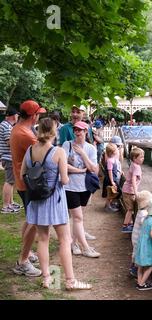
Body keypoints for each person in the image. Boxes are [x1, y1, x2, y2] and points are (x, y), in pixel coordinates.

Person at [20, 118, 91, 290]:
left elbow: (23, 174)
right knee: (64, 240)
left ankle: (46, 278)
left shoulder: (30, 150)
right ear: (53, 132)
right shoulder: (58, 151)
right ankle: (70, 281)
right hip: (55, 199)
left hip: (36, 201)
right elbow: (65, 180)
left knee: (42, 239)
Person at [10, 100, 46, 277]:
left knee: (30, 219)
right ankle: (22, 261)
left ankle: (27, 252)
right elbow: (46, 153)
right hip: (28, 184)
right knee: (34, 221)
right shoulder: (26, 134)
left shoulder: (18, 128)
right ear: (33, 116)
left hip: (22, 182)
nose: (40, 116)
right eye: (39, 113)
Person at [62, 121, 101, 258]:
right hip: (70, 187)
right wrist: (79, 170)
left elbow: (93, 169)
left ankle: (74, 243)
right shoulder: (67, 145)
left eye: (80, 130)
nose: (77, 132)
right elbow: (64, 165)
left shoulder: (90, 148)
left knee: (78, 218)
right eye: (75, 130)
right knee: (78, 217)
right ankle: (86, 247)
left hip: (85, 187)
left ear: (86, 132)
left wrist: (83, 154)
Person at [0, 108, 22, 213]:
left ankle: (10, 203)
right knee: (9, 182)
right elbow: (10, 142)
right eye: (17, 116)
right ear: (14, 116)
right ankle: (5, 206)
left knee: (11, 181)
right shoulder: (6, 126)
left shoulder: (6, 125)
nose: (18, 117)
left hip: (7, 157)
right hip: (8, 157)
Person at [129, 190, 152, 277]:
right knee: (138, 255)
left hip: (135, 237)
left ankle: (132, 268)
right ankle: (135, 270)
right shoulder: (144, 213)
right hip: (138, 239)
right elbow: (143, 222)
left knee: (135, 252)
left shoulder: (140, 211)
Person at [121, 147, 145, 233]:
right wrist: (135, 192)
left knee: (129, 208)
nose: (143, 159)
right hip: (129, 191)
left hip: (126, 190)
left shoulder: (133, 164)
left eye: (143, 157)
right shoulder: (137, 167)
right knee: (130, 210)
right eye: (141, 157)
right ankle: (125, 226)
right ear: (135, 158)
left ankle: (129, 224)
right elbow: (134, 180)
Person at [103, 143, 122, 213]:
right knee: (110, 194)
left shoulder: (113, 159)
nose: (117, 150)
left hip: (113, 179)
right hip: (111, 180)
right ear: (112, 152)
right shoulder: (110, 161)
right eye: (116, 150)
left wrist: (120, 171)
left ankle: (108, 205)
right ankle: (108, 207)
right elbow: (110, 171)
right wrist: (112, 181)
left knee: (113, 193)